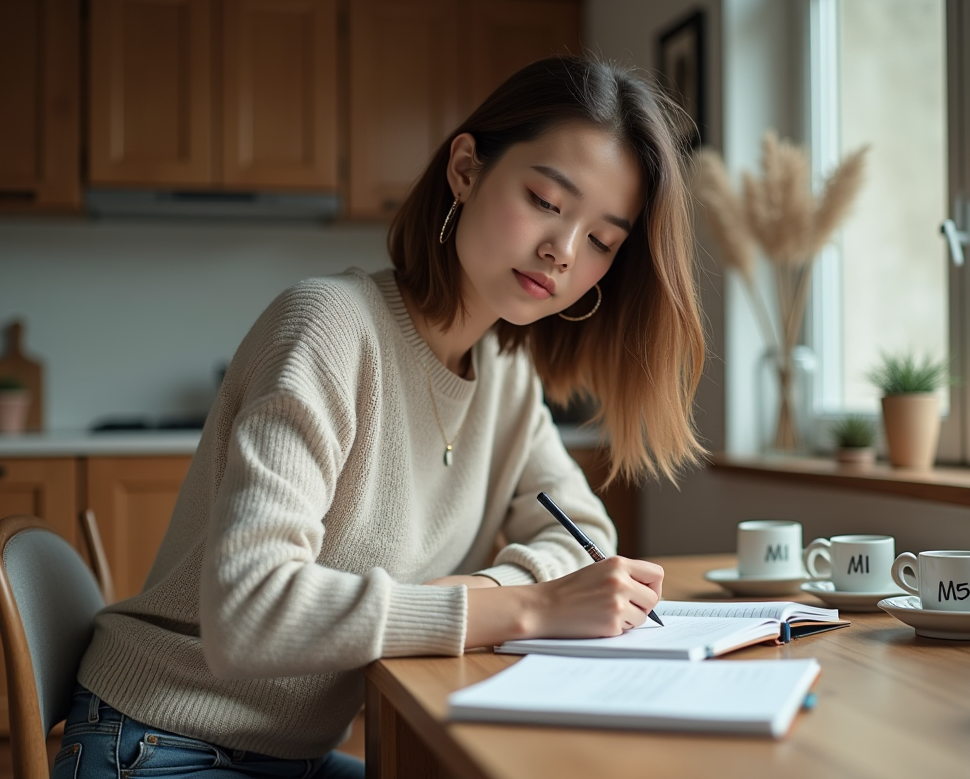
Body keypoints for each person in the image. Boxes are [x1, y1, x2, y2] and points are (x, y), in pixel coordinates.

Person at [58, 55, 706, 779]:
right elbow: (249, 613)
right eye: (547, 201)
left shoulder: (508, 379)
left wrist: (481, 593)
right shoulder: (330, 326)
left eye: (601, 241)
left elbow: (582, 536)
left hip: (291, 755)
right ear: (466, 169)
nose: (562, 250)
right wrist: (525, 609)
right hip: (159, 742)